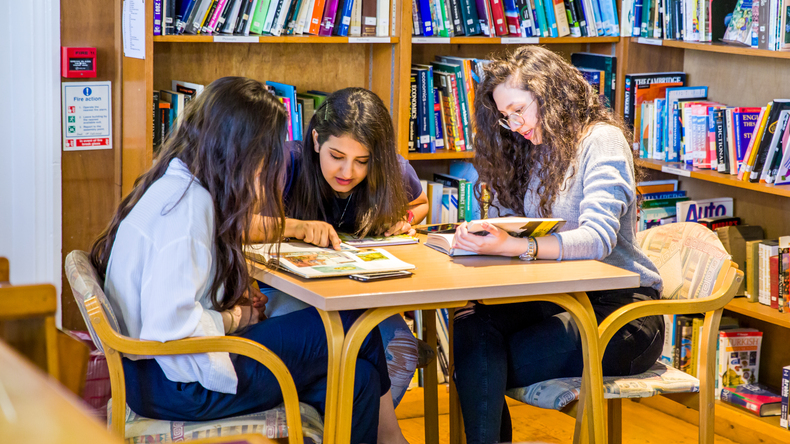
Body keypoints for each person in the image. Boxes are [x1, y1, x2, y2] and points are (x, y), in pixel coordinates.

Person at [90, 77, 405, 444]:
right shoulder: (187, 211)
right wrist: (237, 317)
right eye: (266, 154)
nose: (267, 167)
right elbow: (171, 329)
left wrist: (232, 304)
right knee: (352, 325)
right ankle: (392, 438)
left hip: (164, 375)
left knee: (360, 380)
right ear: (244, 151)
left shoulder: (182, 185)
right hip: (180, 384)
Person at [451, 46, 665, 443]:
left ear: (548, 93)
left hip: (622, 314)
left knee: (480, 362)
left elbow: (598, 238)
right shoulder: (533, 147)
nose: (513, 125)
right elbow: (515, 222)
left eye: (518, 110)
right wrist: (488, 232)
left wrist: (515, 248)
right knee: (471, 327)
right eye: (505, 117)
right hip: (561, 300)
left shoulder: (602, 140)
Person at [249, 87, 429, 407]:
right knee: (339, 355)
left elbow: (420, 202)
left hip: (360, 293)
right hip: (290, 293)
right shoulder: (287, 162)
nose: (348, 173)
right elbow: (242, 224)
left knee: (403, 348)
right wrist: (297, 227)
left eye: (362, 161)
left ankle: (359, 429)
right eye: (336, 157)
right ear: (317, 140)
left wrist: (405, 218)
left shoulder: (391, 168)